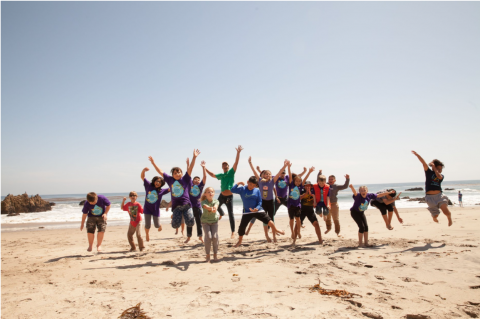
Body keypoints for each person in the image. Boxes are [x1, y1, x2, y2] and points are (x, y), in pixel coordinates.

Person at [149, 149, 200, 233]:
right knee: (175, 225)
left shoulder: (185, 179)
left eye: (178, 172)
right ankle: (177, 218)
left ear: (181, 173)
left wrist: (194, 157)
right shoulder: (170, 180)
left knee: (191, 223)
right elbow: (160, 171)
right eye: (175, 173)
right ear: (172, 175)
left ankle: (186, 217)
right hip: (176, 206)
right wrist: (153, 163)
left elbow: (190, 168)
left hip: (186, 204)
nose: (177, 174)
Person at [231, 176, 285, 247]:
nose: (251, 187)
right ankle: (239, 241)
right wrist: (238, 183)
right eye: (250, 185)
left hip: (258, 211)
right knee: (241, 228)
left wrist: (257, 208)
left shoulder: (257, 190)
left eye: (254, 185)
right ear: (247, 182)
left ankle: (276, 229)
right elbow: (232, 190)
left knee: (269, 221)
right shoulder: (242, 189)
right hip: (247, 212)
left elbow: (260, 201)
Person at [246, 158, 289, 242]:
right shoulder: (260, 181)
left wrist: (284, 166)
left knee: (272, 219)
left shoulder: (272, 181)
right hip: (263, 202)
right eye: (266, 174)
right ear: (263, 175)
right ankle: (266, 236)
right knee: (265, 220)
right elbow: (254, 171)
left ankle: (274, 236)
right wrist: (250, 163)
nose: (268, 175)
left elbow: (279, 173)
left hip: (270, 202)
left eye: (269, 174)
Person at [205, 146, 244, 239]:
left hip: (229, 197)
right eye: (223, 164)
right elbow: (212, 174)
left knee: (231, 214)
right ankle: (222, 213)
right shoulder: (221, 175)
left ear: (228, 166)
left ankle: (233, 232)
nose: (224, 165)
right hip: (222, 196)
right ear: (222, 167)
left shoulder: (231, 172)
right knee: (216, 206)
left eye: (226, 164)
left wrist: (238, 153)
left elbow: (236, 163)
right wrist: (204, 168)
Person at [412, 151, 453, 226]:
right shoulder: (428, 172)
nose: (440, 170)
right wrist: (417, 155)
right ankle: (434, 217)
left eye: (441, 169)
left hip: (439, 196)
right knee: (435, 215)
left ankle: (449, 219)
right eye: (438, 168)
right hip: (430, 198)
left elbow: (438, 176)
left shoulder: (441, 176)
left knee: (446, 212)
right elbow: (423, 163)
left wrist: (434, 167)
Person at [288, 163, 315, 246]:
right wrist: (289, 167)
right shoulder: (291, 185)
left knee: (298, 219)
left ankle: (298, 232)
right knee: (291, 220)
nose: (298, 182)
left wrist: (309, 172)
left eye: (299, 181)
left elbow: (304, 179)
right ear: (294, 181)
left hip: (297, 205)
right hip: (290, 205)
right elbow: (290, 175)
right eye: (296, 181)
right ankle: (292, 232)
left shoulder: (300, 186)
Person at [141, 167, 170, 242]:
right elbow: (143, 177)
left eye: (160, 182)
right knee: (147, 225)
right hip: (147, 208)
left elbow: (171, 188)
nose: (158, 183)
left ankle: (160, 225)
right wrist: (143, 171)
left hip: (155, 210)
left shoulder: (162, 191)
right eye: (157, 181)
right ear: (154, 181)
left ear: (162, 184)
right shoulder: (148, 186)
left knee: (156, 225)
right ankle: (147, 234)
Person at [184, 158, 207, 243]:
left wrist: (203, 168)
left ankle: (200, 237)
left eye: (198, 179)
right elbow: (188, 173)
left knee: (199, 222)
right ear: (193, 181)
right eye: (195, 179)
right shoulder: (190, 185)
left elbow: (205, 177)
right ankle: (188, 237)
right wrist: (188, 164)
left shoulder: (200, 186)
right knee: (189, 222)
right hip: (189, 206)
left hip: (197, 207)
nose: (197, 180)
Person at [201, 187, 221, 262]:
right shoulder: (203, 202)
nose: (210, 193)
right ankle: (208, 255)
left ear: (214, 193)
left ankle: (215, 254)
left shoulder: (216, 201)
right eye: (208, 192)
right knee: (208, 237)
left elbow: (216, 206)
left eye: (212, 192)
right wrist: (211, 209)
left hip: (214, 222)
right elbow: (206, 207)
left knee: (215, 237)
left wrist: (214, 209)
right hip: (205, 222)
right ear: (205, 194)